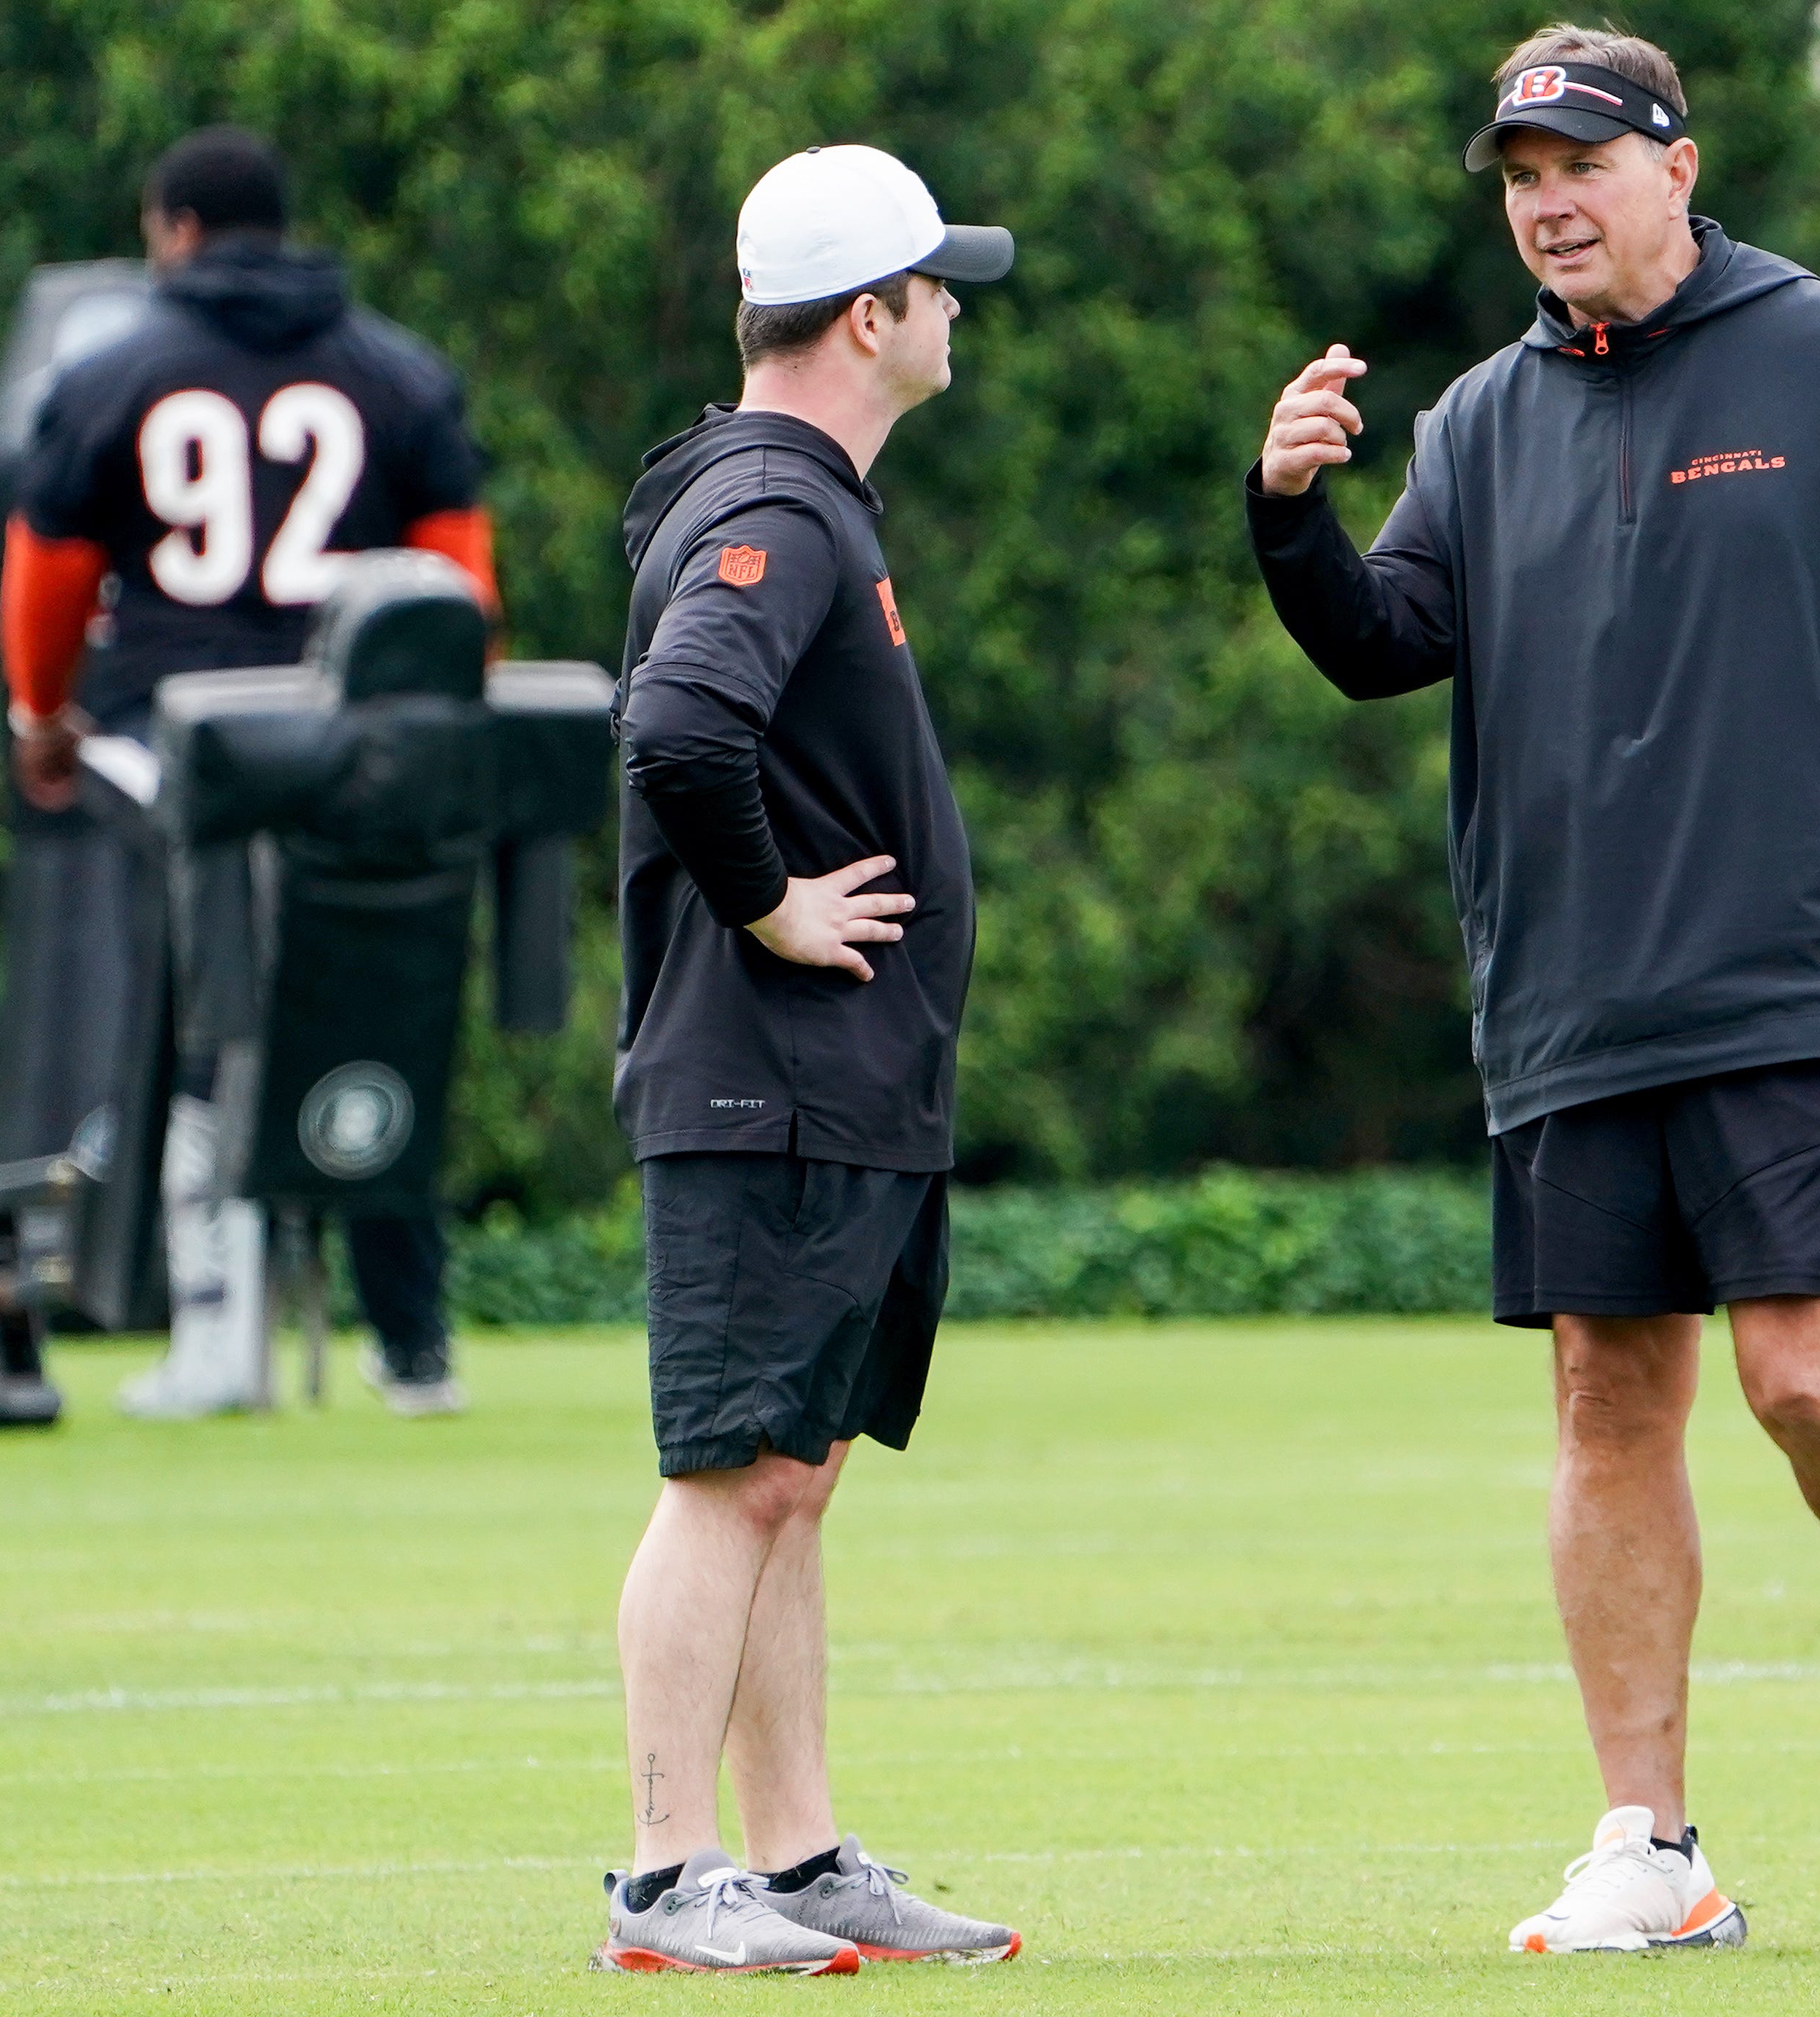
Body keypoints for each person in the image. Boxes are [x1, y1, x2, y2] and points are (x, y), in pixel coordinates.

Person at [1247, 22, 1820, 1950]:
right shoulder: (1475, 426)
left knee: (1806, 1384)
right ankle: (1650, 1845)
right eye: (1521, 180)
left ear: (1677, 168)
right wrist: (1287, 516)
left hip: (1809, 971)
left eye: (1581, 169)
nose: (1548, 207)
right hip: (1570, 995)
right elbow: (1385, 645)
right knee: (1612, 1405)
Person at [595, 144, 1022, 1975]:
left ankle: (795, 1856)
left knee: (794, 1466)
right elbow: (682, 724)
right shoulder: (781, 503)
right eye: (938, 287)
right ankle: (665, 1875)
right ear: (875, 316)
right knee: (731, 1473)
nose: (953, 312)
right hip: (764, 1075)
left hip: (824, 1088)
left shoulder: (800, 497)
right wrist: (770, 905)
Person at [0, 126, 496, 1419]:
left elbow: (47, 575)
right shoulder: (397, 372)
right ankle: (412, 1347)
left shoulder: (114, 373)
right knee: (377, 1007)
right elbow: (460, 587)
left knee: (200, 1025)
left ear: (172, 229)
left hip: (180, 742)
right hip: (355, 746)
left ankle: (218, 1340)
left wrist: (41, 718)